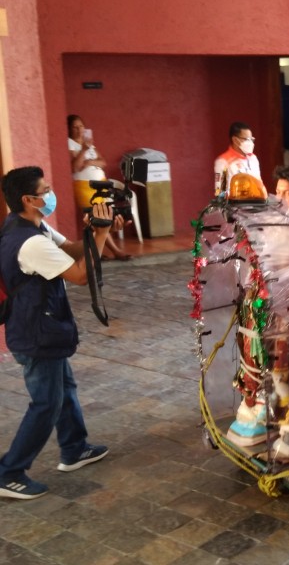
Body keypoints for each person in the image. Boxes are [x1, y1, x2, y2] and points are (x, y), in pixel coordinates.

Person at [0, 166, 115, 500]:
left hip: (43, 325)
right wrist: (103, 235)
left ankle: (74, 448)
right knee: (46, 403)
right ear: (29, 199)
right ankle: (9, 472)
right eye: (45, 189)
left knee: (64, 388)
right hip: (36, 332)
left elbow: (74, 251)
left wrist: (96, 230)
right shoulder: (29, 242)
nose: (50, 194)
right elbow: (80, 275)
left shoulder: (31, 226)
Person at [68, 114, 131, 261]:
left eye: (81, 126)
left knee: (102, 216)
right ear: (69, 130)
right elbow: (75, 167)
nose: (79, 130)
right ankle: (116, 251)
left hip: (102, 184)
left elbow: (103, 162)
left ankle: (95, 252)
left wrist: (90, 162)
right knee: (97, 216)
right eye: (75, 127)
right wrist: (83, 151)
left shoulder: (89, 144)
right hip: (84, 186)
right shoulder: (69, 144)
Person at [214, 122, 263, 196]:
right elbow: (220, 193)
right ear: (235, 140)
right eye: (246, 139)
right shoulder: (223, 161)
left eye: (251, 139)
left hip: (256, 205)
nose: (250, 142)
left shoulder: (253, 159)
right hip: (235, 206)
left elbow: (260, 185)